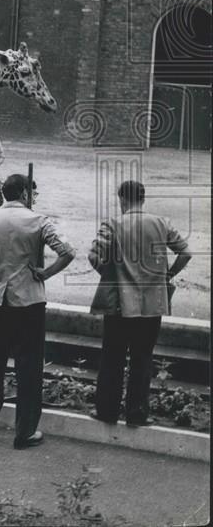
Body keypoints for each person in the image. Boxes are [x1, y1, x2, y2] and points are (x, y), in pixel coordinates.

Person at [0, 173, 74, 449]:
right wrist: (45, 273)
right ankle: (25, 432)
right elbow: (67, 252)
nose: (32, 198)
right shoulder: (39, 220)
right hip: (29, 303)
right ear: (23, 193)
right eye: (31, 193)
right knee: (29, 368)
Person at [88, 180, 191, 427]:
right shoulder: (161, 223)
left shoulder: (113, 224)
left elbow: (94, 255)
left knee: (112, 357)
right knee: (142, 358)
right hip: (152, 304)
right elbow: (185, 252)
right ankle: (137, 413)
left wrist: (110, 273)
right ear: (143, 199)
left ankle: (107, 411)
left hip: (120, 303)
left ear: (122, 199)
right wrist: (167, 275)